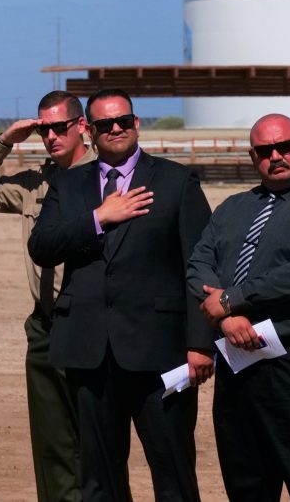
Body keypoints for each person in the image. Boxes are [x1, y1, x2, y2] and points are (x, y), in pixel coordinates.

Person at [28, 90, 214, 502]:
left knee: (174, 473)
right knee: (98, 477)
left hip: (161, 354)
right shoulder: (69, 184)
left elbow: (200, 267)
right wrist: (97, 219)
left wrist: (200, 343)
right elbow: (41, 245)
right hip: (90, 354)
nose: (116, 128)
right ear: (89, 131)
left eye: (123, 121)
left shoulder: (176, 181)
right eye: (105, 124)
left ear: (136, 124)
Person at [187, 113, 290, 502]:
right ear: (252, 155)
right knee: (246, 483)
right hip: (236, 364)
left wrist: (231, 298)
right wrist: (227, 317)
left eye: (284, 147)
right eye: (264, 150)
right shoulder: (231, 208)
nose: (275, 156)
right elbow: (198, 265)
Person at [0, 90, 93, 502]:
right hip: (46, 324)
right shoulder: (34, 183)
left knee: (93, 435)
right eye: (43, 129)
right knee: (51, 439)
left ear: (82, 127)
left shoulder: (105, 178)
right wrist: (5, 142)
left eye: (59, 127)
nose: (51, 136)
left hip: (91, 322)